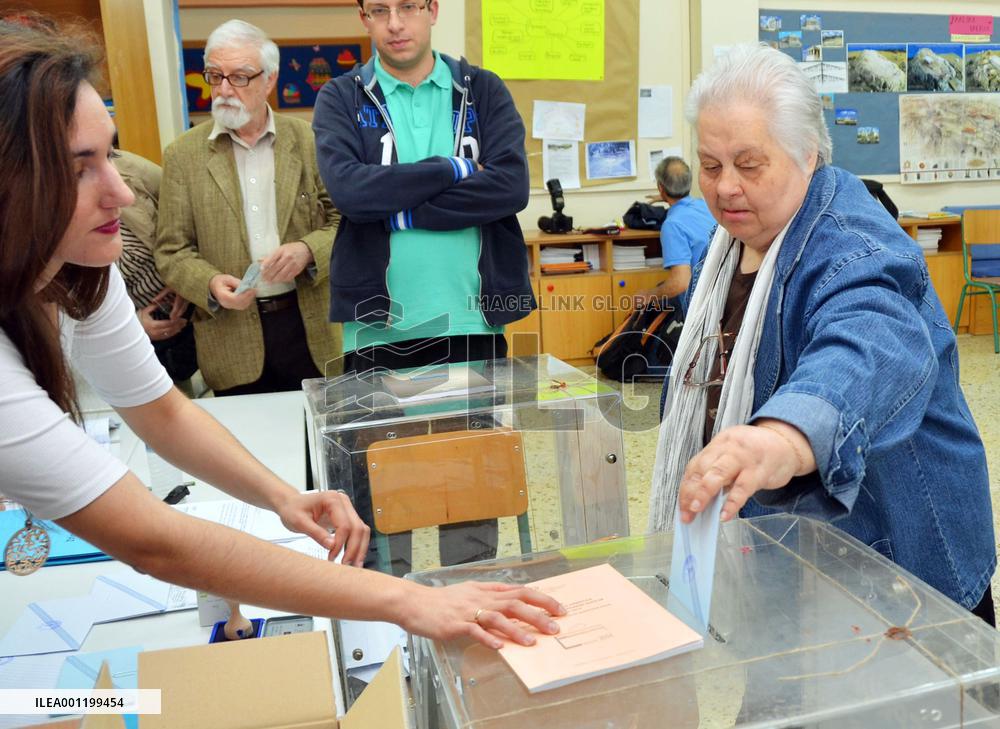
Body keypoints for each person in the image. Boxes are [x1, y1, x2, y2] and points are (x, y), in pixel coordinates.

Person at [0, 18, 563, 652]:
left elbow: (164, 411)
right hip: (287, 339)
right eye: (83, 168)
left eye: (113, 155)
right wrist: (405, 603)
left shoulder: (84, 274)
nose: (125, 192)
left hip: (401, 329)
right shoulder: (329, 104)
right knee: (100, 704)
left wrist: (283, 499)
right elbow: (153, 540)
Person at [647, 44, 995, 625]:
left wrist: (784, 436)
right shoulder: (727, 244)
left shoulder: (854, 245)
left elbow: (868, 343)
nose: (725, 187)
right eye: (710, 166)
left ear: (807, 153)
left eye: (748, 164)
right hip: (788, 561)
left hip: (903, 576)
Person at [312, 0, 534, 573]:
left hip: (473, 318)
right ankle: (395, 627)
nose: (395, 23)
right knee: (387, 494)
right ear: (362, 15)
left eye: (409, 6)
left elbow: (509, 188)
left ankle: (469, 603)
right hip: (377, 324)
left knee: (470, 485)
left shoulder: (482, 91)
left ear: (433, 9)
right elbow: (352, 194)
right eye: (379, 9)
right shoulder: (341, 98)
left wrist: (402, 211)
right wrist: (450, 169)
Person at [156, 20, 342, 397]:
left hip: (309, 329)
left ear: (270, 80)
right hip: (231, 336)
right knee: (245, 451)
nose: (224, 90)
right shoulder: (183, 155)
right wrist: (208, 283)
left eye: (240, 77)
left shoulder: (309, 140)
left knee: (319, 451)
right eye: (215, 76)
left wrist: (308, 251)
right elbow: (171, 251)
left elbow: (346, 222)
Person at [112, 149, 198, 387]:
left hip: (185, 317)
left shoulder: (126, 166)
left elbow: (188, 217)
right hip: (122, 340)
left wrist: (184, 276)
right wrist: (133, 325)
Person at [636, 156, 716, 305]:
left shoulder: (672, 225)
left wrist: (648, 295)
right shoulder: (706, 206)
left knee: (656, 295)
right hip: (722, 295)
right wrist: (666, 197)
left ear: (661, 188)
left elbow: (681, 283)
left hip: (700, 306)